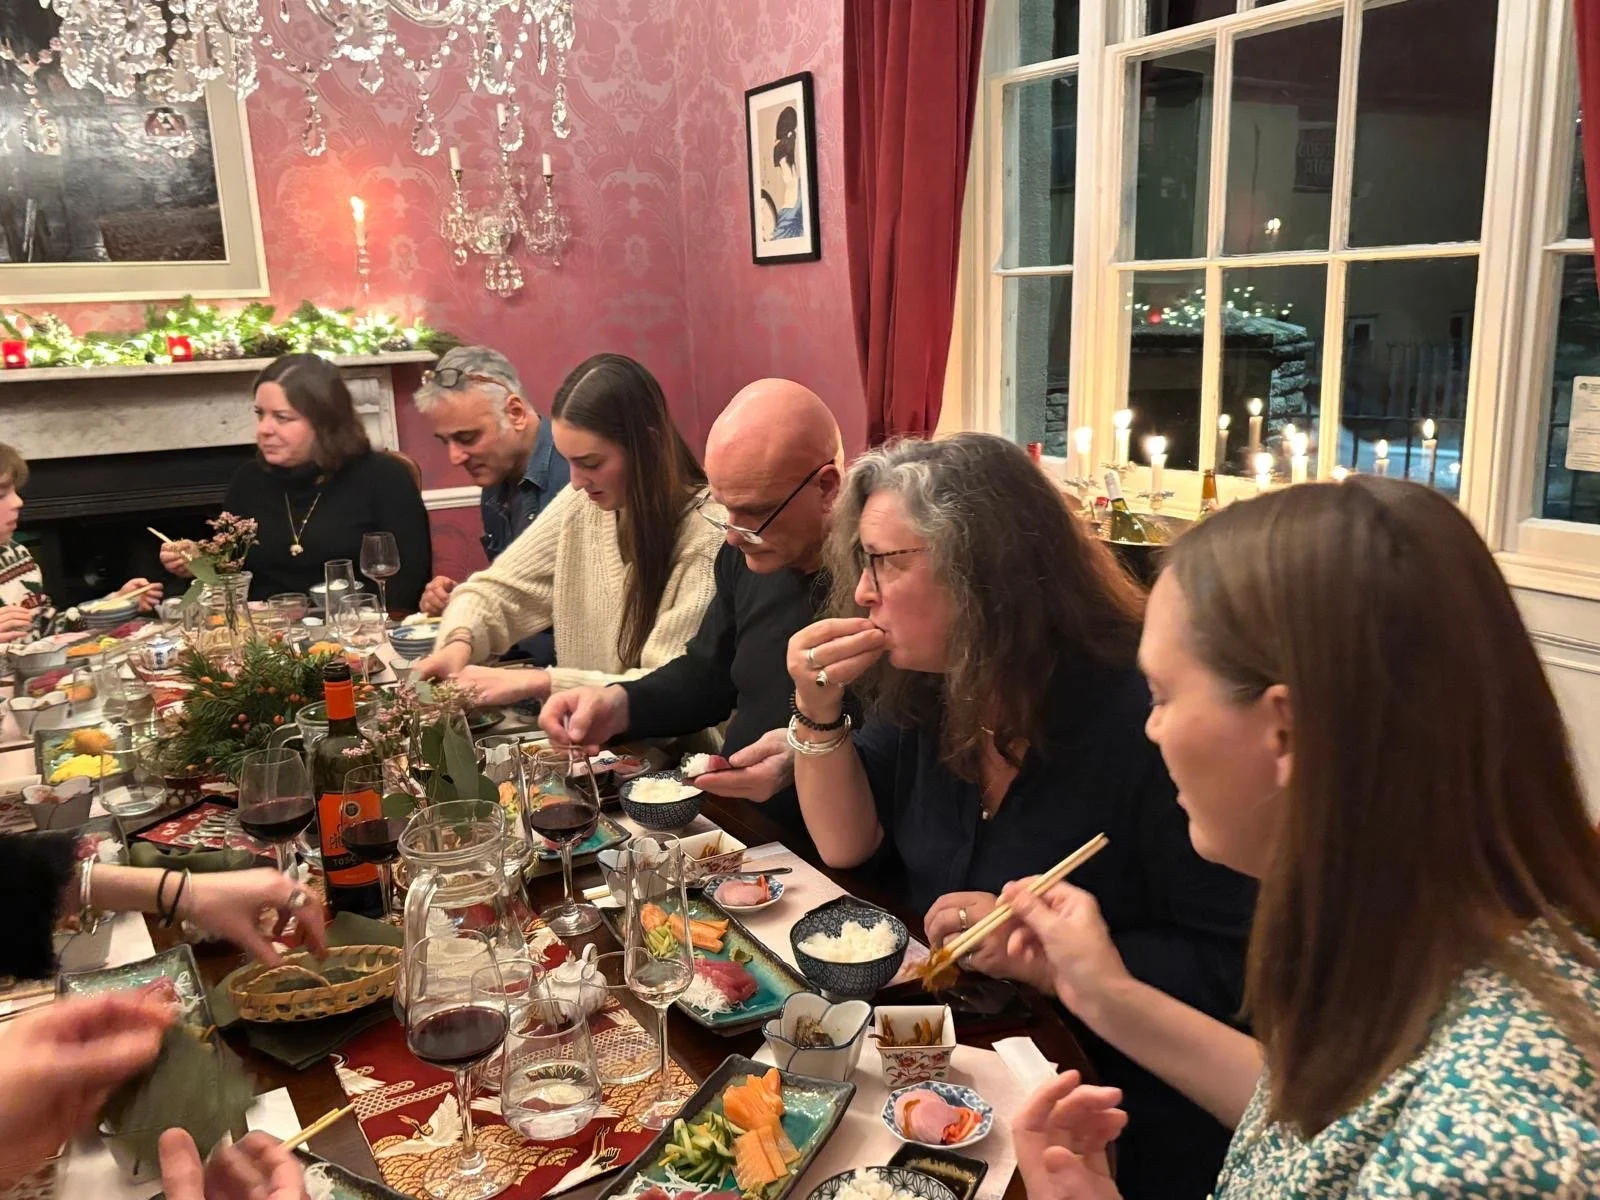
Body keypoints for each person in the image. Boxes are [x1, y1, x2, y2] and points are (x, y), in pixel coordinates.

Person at [1005, 478, 1600, 1199]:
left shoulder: (1487, 1151)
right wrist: (1102, 995)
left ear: (1286, 729)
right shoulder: (1436, 940)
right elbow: (1313, 1121)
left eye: (1161, 696)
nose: (1150, 727)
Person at [785, 434, 1255, 1200]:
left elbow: (1230, 971)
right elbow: (845, 843)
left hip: (1120, 1105)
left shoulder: (1142, 719)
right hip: (971, 1068)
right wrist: (816, 705)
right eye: (861, 564)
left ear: (983, 577)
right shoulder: (930, 685)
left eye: (885, 561)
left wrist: (1059, 951)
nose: (863, 593)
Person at [539, 379, 846, 855]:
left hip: (836, 850)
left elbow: (909, 739)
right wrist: (618, 702)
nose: (733, 537)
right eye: (725, 511)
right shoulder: (743, 556)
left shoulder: (878, 579)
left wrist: (804, 750)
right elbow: (707, 677)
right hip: (741, 828)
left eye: (754, 514)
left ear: (826, 486)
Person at [413, 353, 719, 705]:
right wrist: (458, 642)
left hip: (685, 755)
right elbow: (496, 590)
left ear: (647, 445)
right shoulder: (585, 503)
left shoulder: (708, 534)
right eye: (567, 460)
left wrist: (542, 683)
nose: (574, 482)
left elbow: (672, 690)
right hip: (596, 745)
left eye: (590, 462)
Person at [160, 354, 432, 608]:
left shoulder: (384, 477)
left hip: (355, 633)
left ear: (325, 423)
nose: (264, 429)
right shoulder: (248, 480)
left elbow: (407, 585)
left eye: (282, 417)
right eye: (260, 414)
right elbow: (230, 576)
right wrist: (199, 561)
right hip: (264, 641)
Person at [411, 346, 571, 665]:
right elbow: (520, 590)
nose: (455, 457)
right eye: (446, 442)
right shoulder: (495, 479)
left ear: (514, 412)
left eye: (467, 438)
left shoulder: (577, 476)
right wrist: (461, 601)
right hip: (520, 663)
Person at [0, 442, 161, 641]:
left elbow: (47, 630)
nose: (18, 502)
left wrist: (114, 604)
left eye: (15, 491)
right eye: (1, 495)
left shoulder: (15, 555)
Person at [771, 106, 806, 239]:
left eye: (783, 166)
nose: (783, 174)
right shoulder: (789, 191)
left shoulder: (801, 191)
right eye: (781, 168)